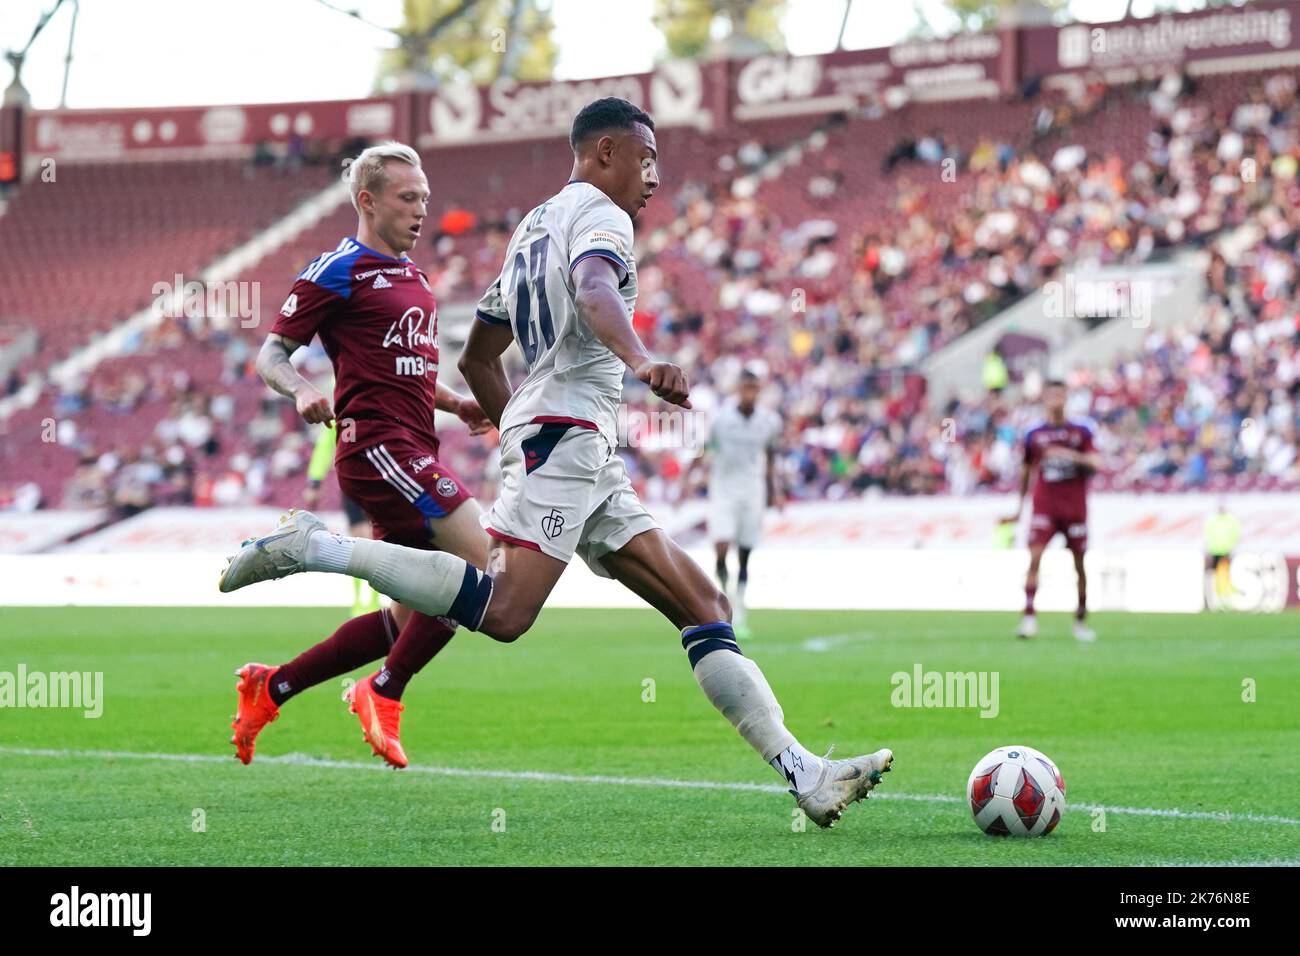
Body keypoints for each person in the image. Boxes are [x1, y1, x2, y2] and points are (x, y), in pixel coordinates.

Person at [221, 99, 891, 827]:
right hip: (566, 430)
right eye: (646, 159)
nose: (654, 179)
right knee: (505, 613)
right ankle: (316, 547)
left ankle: (805, 774)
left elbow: (480, 355)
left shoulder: (530, 228)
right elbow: (596, 287)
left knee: (706, 609)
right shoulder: (603, 217)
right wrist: (638, 361)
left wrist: (517, 428)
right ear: (605, 152)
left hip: (574, 442)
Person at [227, 142, 493, 770]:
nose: (422, 210)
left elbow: (410, 371)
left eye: (425, 198)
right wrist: (302, 389)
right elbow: (271, 355)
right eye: (409, 198)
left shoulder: (416, 277)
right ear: (368, 201)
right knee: (482, 568)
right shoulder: (335, 269)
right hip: (378, 448)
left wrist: (458, 406)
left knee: (413, 614)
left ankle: (273, 686)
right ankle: (383, 689)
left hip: (412, 443)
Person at [680, 369, 784, 636]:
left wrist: (777, 491)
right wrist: (686, 484)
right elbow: (702, 450)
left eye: (755, 388)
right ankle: (725, 599)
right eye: (747, 387)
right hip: (723, 491)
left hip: (753, 492)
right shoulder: (721, 419)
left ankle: (740, 605)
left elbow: (771, 457)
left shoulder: (769, 421)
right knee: (722, 548)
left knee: (745, 553)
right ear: (738, 389)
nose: (751, 393)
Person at [1005, 379, 1101, 642]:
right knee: (1034, 559)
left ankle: (1080, 621)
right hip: (1044, 505)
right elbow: (1026, 472)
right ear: (1044, 399)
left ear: (1066, 397)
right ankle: (1028, 618)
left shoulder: (1082, 430)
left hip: (1074, 507)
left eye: (1060, 395)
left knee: (1079, 565)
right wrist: (1019, 508)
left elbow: (1096, 463)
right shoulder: (1034, 434)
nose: (1055, 400)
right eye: (1050, 395)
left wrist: (1068, 455)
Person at [303, 421, 381, 618]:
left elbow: (324, 446)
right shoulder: (341, 414)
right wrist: (315, 482)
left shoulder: (355, 409)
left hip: (371, 481)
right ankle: (360, 601)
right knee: (361, 539)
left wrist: (315, 482)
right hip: (358, 482)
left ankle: (371, 600)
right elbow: (325, 445)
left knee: (369, 540)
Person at [1204, 500, 1242, 605]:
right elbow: (1207, 538)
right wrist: (1208, 552)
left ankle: (1225, 598)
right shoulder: (1212, 521)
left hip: (1226, 552)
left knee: (1224, 576)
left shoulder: (1231, 521)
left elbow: (1236, 536)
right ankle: (1211, 599)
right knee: (1211, 575)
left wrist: (1232, 549)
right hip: (1214, 552)